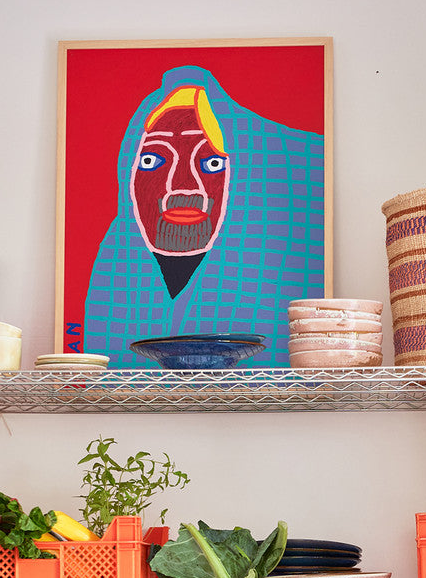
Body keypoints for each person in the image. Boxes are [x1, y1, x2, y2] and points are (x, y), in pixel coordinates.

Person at [84, 64, 325, 367]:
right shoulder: (111, 287)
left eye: (211, 163)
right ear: (128, 180)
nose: (183, 186)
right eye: (152, 160)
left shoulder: (281, 276)